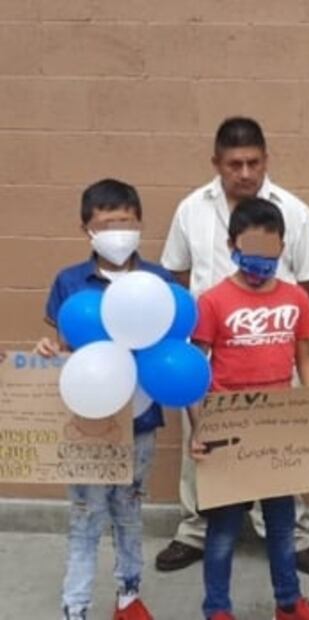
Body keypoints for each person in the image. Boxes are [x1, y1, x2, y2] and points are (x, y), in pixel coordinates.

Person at [158, 117, 309, 575]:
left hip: (271, 349)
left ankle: (294, 535)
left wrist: (264, 316)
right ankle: (195, 529)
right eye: (234, 163)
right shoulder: (191, 209)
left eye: (253, 162)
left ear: (266, 160)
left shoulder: (293, 211)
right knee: (200, 446)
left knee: (282, 446)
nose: (244, 172)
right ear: (216, 162)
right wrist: (220, 314)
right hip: (207, 356)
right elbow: (176, 271)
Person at [36, 179, 175, 620]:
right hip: (88, 421)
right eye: (107, 223)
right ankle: (75, 606)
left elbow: (172, 350)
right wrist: (46, 354)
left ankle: (129, 598)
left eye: (126, 222)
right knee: (85, 516)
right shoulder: (70, 282)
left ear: (140, 224)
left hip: (141, 420)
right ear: (87, 229)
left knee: (130, 511)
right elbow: (65, 350)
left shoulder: (160, 280)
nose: (118, 231)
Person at [188, 198, 309, 620]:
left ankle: (288, 603)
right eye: (250, 256)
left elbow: (305, 360)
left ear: (282, 249)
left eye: (269, 257)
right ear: (231, 246)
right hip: (228, 427)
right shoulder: (212, 301)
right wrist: (200, 428)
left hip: (278, 428)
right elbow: (196, 369)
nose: (259, 265)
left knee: (282, 528)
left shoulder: (297, 297)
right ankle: (217, 609)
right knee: (223, 531)